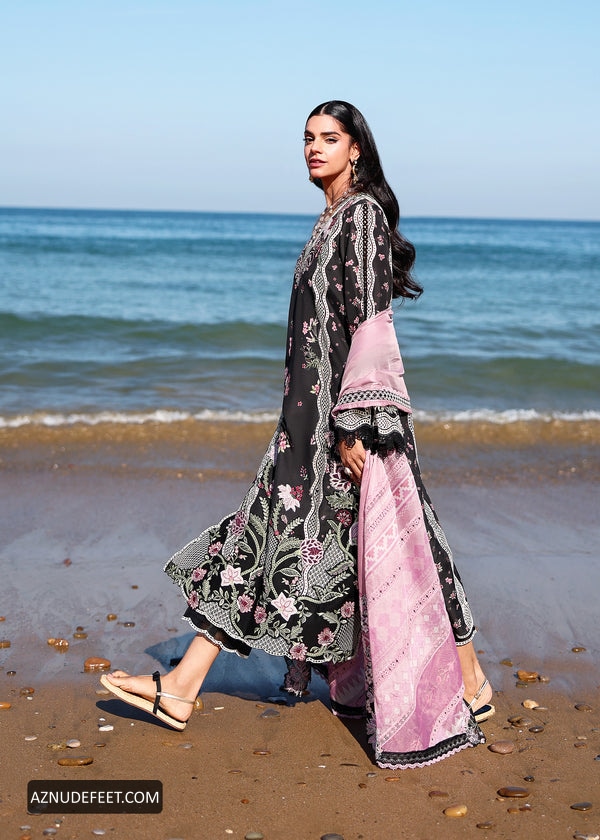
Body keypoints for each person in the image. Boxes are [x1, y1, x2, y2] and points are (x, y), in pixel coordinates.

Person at [102, 100, 493, 769]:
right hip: (306, 424)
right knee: (308, 545)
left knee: (388, 541)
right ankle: (186, 685)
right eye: (307, 138)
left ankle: (468, 677)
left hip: (345, 424)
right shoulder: (329, 220)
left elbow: (371, 322)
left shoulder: (361, 217)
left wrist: (353, 425)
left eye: (328, 138)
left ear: (356, 149)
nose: (314, 147)